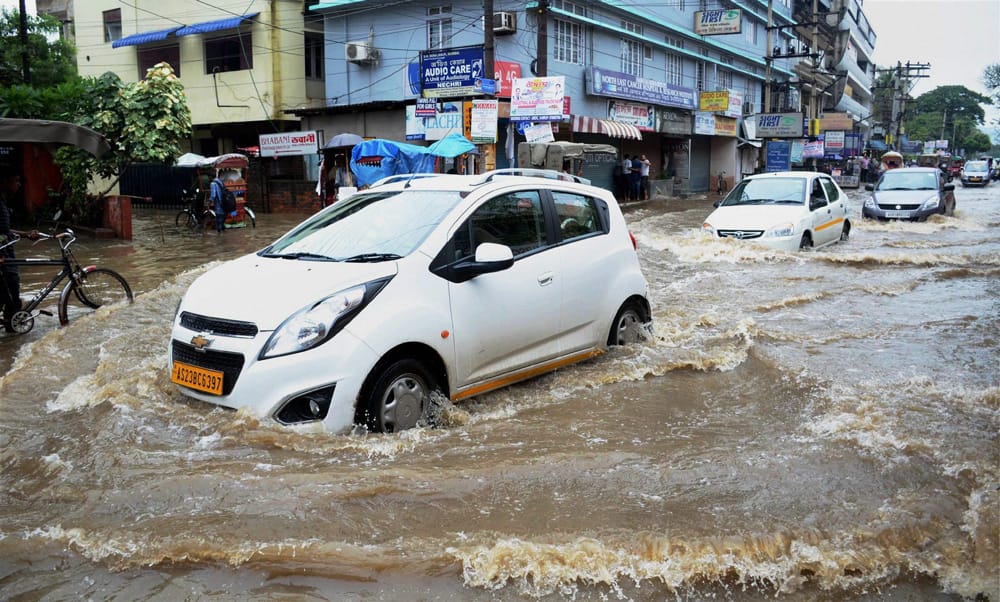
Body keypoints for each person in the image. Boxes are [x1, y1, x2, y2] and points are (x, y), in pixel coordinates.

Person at [0, 166, 39, 333]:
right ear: (4, 182)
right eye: (15, 181)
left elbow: (4, 230)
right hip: (3, 255)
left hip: (6, 252)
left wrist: (25, 234)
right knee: (11, 297)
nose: (18, 185)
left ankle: (11, 335)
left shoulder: (2, 201)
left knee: (10, 298)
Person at [209, 169, 227, 234]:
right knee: (222, 223)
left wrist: (209, 203)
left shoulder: (213, 183)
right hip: (224, 204)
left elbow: (213, 195)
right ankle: (224, 238)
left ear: (210, 177)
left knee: (218, 223)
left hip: (219, 206)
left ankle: (219, 239)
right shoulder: (220, 182)